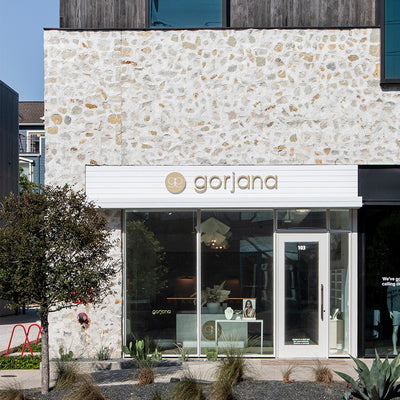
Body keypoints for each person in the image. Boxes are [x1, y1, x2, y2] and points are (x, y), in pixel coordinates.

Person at [387, 286, 400, 355]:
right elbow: (389, 299)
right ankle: (394, 349)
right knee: (395, 329)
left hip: (395, 310)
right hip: (395, 310)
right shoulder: (391, 286)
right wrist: (390, 310)